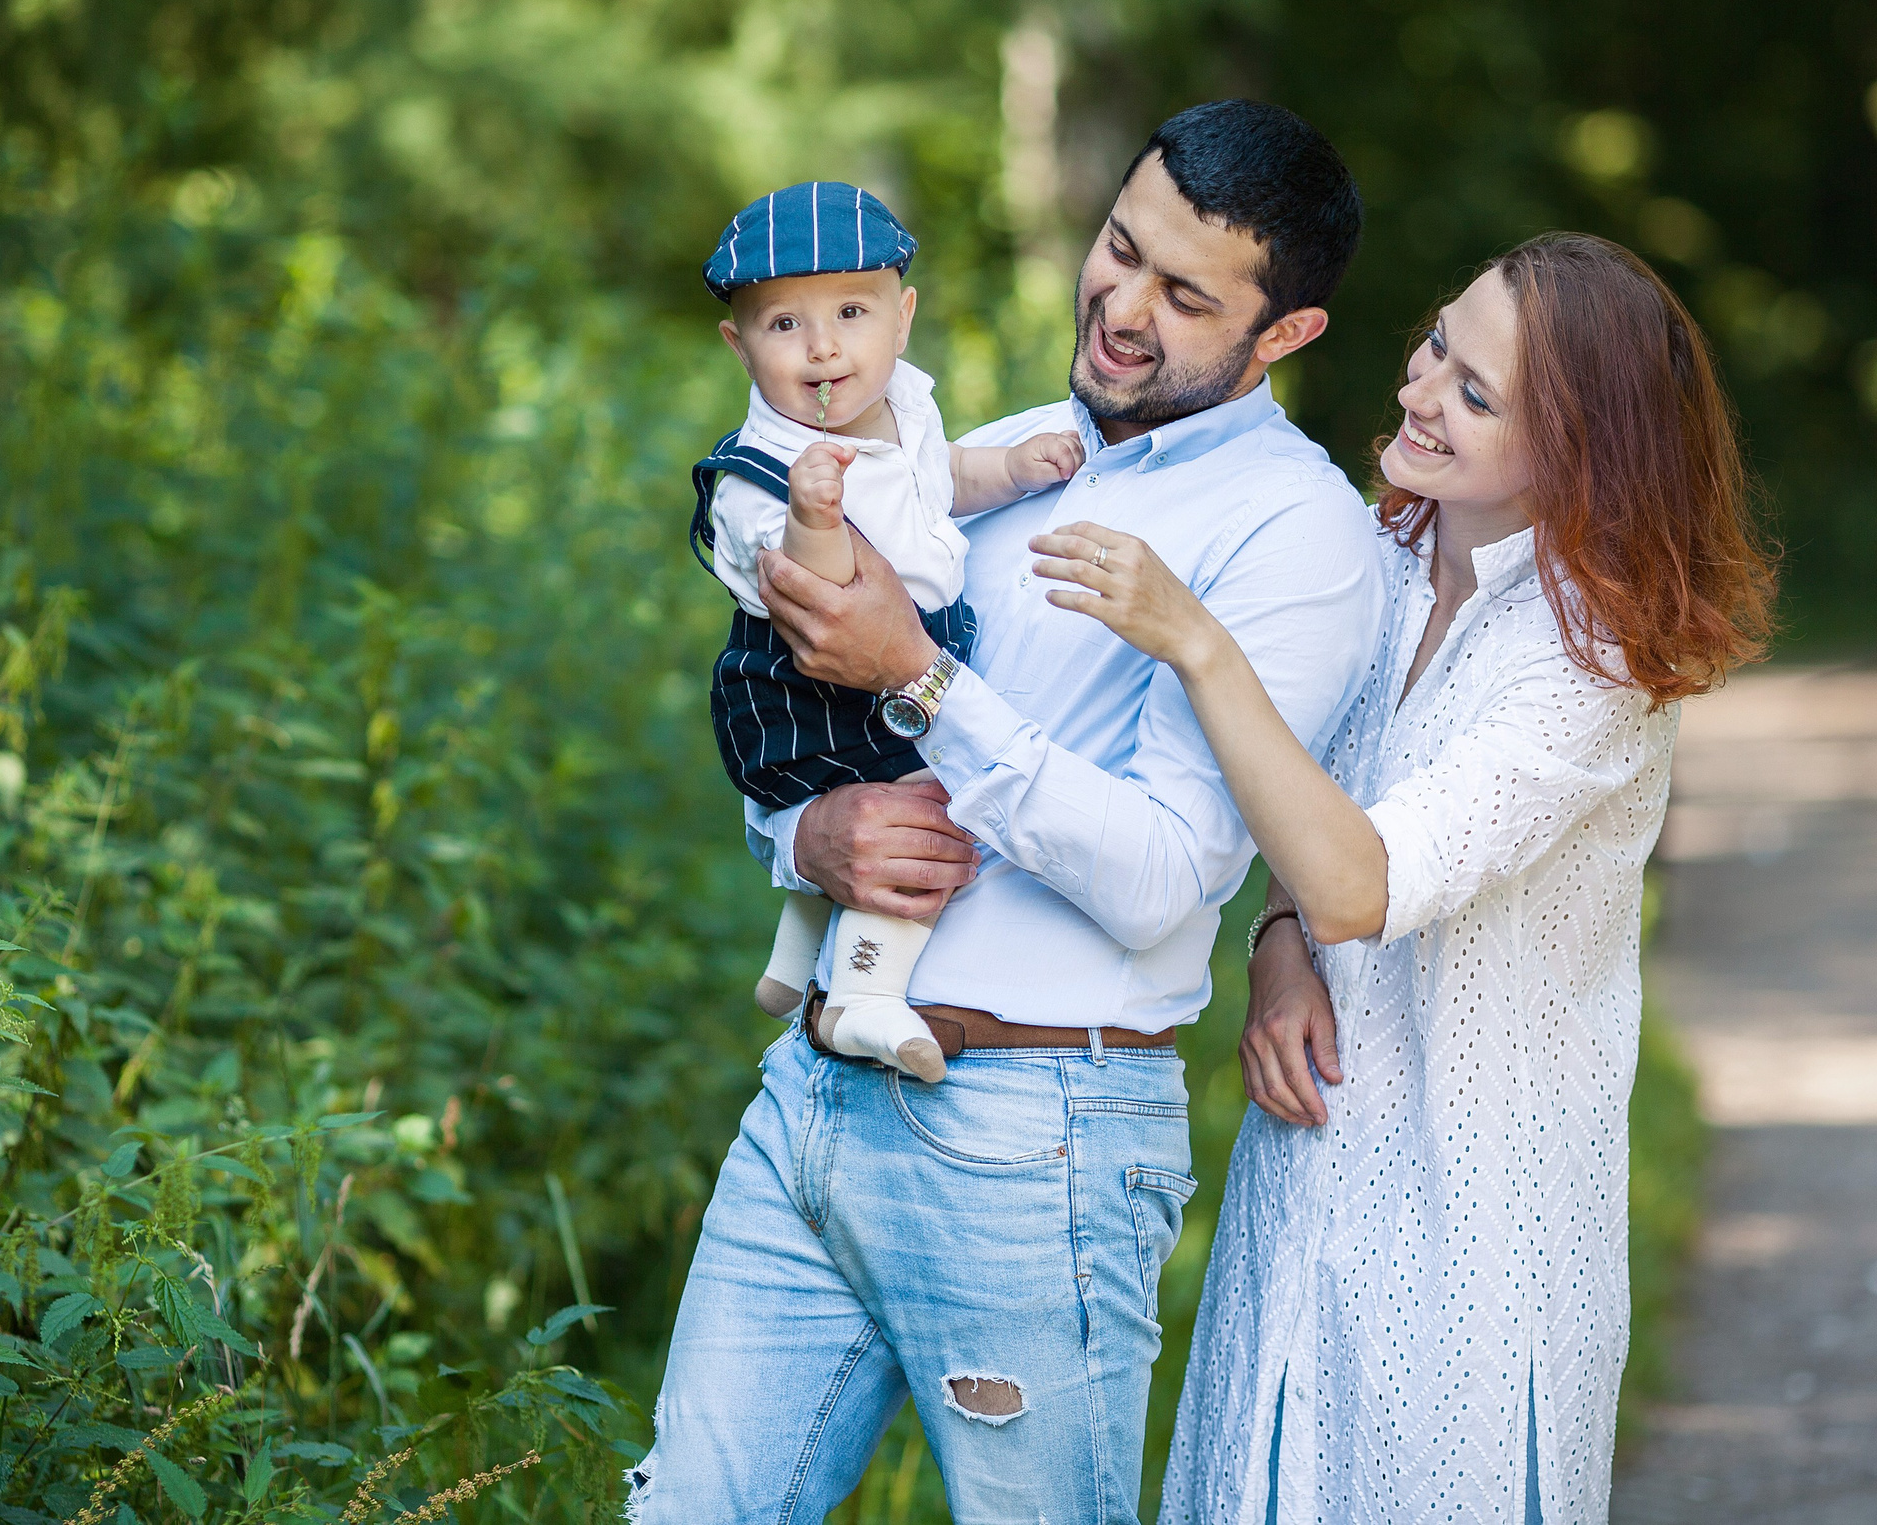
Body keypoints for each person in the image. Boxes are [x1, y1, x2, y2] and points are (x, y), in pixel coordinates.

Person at [628, 100, 1386, 1522]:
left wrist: (919, 681)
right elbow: (806, 711)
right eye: (1118, 249)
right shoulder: (1001, 448)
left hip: (1033, 1138)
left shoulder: (1297, 535)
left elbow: (1168, 876)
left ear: (1286, 335)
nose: (1120, 306)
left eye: (1185, 292)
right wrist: (806, 835)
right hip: (816, 1085)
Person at [1030, 233, 1775, 1523]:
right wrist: (1272, 941)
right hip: (1303, 1180)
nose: (1419, 392)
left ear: (1580, 454)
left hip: (1475, 1241)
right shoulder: (1371, 559)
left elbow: (1361, 885)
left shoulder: (1590, 671)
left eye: (1477, 396)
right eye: (1439, 344)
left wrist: (1198, 643)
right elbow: (1304, 837)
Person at [691, 181, 1085, 1082]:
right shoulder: (760, 477)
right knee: (923, 809)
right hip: (814, 678)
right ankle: (867, 994)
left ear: (901, 320)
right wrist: (815, 519)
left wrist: (1014, 468)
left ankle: (794, 959)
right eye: (783, 324)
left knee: (870, 802)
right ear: (740, 346)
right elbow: (822, 602)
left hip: (896, 649)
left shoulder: (904, 406)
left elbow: (934, 481)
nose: (824, 344)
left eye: (853, 311)